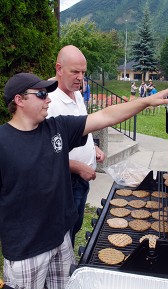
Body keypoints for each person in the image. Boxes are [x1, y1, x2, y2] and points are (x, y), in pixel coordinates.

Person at [0, 71, 168, 289]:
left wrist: (145, 101)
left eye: (47, 93)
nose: (48, 98)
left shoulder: (56, 128)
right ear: (19, 100)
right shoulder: (3, 142)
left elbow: (105, 116)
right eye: (40, 94)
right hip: (26, 250)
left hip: (60, 240)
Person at [47, 45, 105, 247]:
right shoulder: (49, 102)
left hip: (82, 180)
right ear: (59, 69)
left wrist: (92, 147)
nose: (80, 77)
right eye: (75, 72)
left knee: (77, 224)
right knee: (66, 233)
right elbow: (45, 152)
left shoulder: (78, 95)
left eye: (83, 72)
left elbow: (80, 128)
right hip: (66, 181)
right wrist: (78, 167)